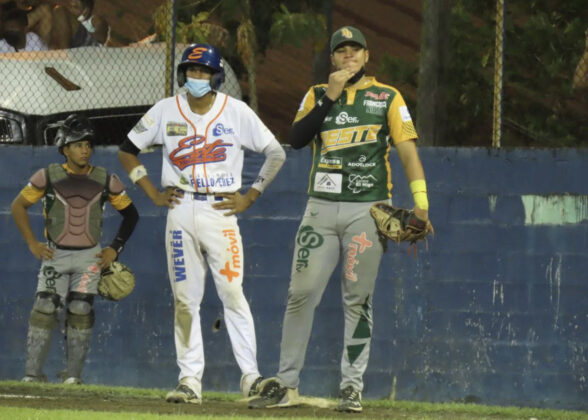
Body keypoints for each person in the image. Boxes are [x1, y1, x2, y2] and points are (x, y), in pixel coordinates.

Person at [248, 26, 432, 413]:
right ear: (332, 59)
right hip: (320, 207)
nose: (349, 56)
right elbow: (297, 138)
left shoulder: (387, 97)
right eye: (342, 51)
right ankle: (286, 383)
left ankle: (352, 388)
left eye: (355, 50)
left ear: (367, 56)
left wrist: (421, 205)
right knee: (300, 293)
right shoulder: (317, 94)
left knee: (357, 299)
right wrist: (330, 96)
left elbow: (407, 152)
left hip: (367, 210)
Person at [118, 43, 286, 404]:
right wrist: (151, 191)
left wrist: (250, 196)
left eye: (204, 71)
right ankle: (189, 380)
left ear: (216, 77)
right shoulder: (166, 109)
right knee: (185, 299)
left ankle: (251, 377)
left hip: (220, 211)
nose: (196, 77)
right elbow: (127, 150)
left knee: (233, 294)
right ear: (183, 74)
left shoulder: (236, 111)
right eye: (191, 71)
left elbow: (276, 152)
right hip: (180, 209)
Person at [11, 114, 139, 384]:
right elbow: (17, 206)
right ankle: (32, 375)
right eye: (78, 144)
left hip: (89, 257)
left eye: (88, 145)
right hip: (55, 254)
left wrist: (114, 249)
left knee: (81, 309)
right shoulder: (47, 176)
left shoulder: (105, 179)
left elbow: (131, 215)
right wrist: (33, 243)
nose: (85, 150)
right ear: (64, 148)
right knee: (44, 306)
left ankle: (72, 377)